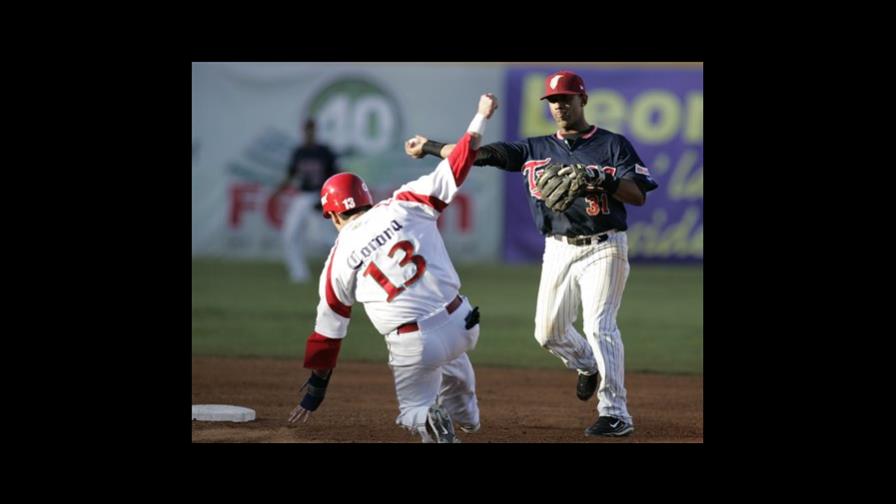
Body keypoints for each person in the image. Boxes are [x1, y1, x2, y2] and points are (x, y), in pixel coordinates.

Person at [404, 71, 659, 437]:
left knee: (599, 325)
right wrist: (428, 145)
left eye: (566, 98)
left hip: (605, 245)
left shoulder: (611, 145)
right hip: (557, 247)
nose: (559, 106)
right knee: (547, 332)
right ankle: (588, 364)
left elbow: (638, 195)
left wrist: (601, 180)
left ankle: (615, 411)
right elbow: (476, 155)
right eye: (553, 100)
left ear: (582, 100)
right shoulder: (533, 149)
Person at [287, 93, 499, 443]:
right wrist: (480, 116)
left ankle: (428, 418)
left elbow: (327, 336)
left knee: (415, 410)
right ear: (366, 198)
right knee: (453, 365)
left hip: (414, 343)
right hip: (463, 322)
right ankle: (469, 418)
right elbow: (461, 160)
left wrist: (316, 389)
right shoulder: (405, 203)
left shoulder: (337, 259)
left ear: (335, 215)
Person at [274, 118, 339, 283]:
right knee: (290, 234)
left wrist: (328, 197)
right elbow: (291, 174)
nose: (309, 132)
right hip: (302, 196)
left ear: (315, 131)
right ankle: (299, 274)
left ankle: (350, 260)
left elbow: (335, 176)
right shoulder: (299, 152)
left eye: (312, 129)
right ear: (303, 131)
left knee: (321, 239)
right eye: (307, 129)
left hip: (319, 196)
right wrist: (276, 192)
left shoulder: (324, 152)